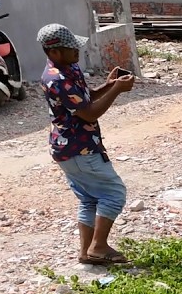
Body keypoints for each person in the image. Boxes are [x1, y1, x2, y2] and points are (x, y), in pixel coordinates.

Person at [37, 23, 135, 266]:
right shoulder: (56, 79)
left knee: (89, 198)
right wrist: (117, 91)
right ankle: (99, 247)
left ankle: (86, 252)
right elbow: (89, 113)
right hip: (78, 149)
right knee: (114, 193)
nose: (77, 51)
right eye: (71, 48)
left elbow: (84, 98)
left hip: (72, 148)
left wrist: (109, 85)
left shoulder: (69, 68)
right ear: (54, 52)